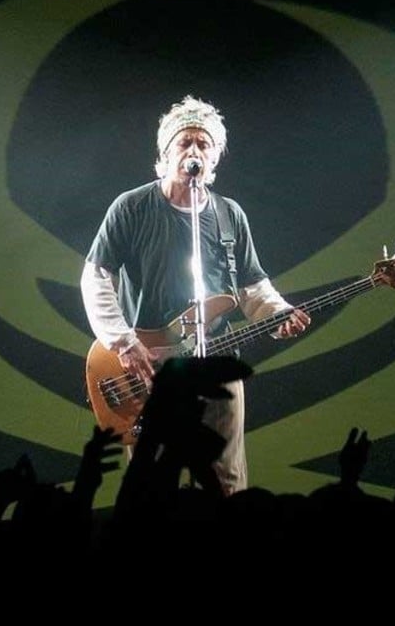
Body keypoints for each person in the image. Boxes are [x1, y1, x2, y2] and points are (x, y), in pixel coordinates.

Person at [80, 95, 310, 496]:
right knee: (152, 482)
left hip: (216, 359)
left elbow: (251, 287)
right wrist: (122, 342)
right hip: (149, 366)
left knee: (226, 478)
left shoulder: (228, 215)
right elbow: (95, 277)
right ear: (165, 153)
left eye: (204, 144)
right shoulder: (132, 207)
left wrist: (279, 313)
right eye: (184, 142)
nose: (194, 151)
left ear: (215, 157)